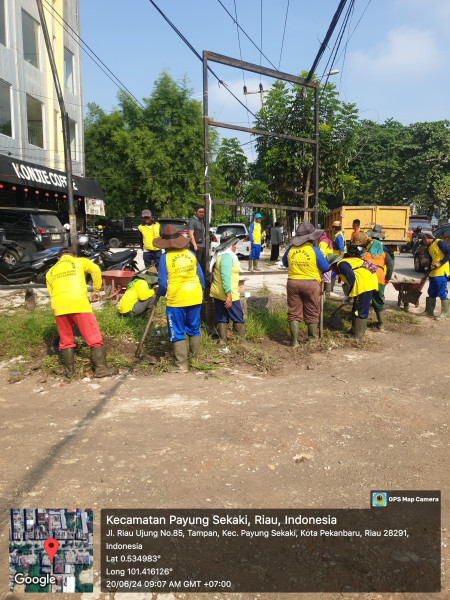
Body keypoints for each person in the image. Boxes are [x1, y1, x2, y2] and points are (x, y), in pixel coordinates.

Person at [46, 248, 118, 378]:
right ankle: (101, 368)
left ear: (58, 259)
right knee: (93, 336)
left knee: (66, 339)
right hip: (79, 304)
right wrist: (96, 290)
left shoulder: (50, 272)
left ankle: (69, 372)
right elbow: (95, 269)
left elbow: (51, 293)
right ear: (74, 256)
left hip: (59, 307)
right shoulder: (80, 261)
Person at [154, 224, 205, 371]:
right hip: (195, 296)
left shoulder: (165, 258)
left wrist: (161, 293)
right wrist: (200, 292)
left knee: (176, 330)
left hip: (177, 299)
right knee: (194, 329)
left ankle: (181, 364)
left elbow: (163, 283)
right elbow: (200, 276)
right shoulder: (191, 254)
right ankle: (194, 360)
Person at [282, 222, 329, 345]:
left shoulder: (290, 250)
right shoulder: (314, 251)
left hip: (293, 283)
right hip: (311, 284)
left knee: (293, 312)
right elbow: (325, 266)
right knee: (312, 311)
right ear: (311, 238)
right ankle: (312, 339)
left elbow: (285, 263)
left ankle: (294, 342)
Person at [326, 252, 379, 341]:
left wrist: (350, 294)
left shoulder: (341, 264)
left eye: (331, 267)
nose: (332, 270)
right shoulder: (350, 260)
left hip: (363, 283)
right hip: (368, 280)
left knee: (361, 309)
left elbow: (352, 278)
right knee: (356, 307)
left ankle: (359, 337)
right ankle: (354, 331)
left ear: (333, 264)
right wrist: (349, 295)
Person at [210, 232, 247, 345]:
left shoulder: (220, 255)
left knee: (221, 316)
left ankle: (222, 340)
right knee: (237, 315)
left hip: (217, 292)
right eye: (234, 244)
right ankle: (242, 341)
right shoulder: (227, 257)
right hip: (228, 292)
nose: (235, 246)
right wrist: (229, 294)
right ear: (229, 245)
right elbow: (225, 276)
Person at [353, 227, 394, 331]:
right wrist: (387, 278)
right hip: (380, 277)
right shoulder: (384, 252)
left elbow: (359, 266)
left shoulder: (365, 254)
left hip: (368, 278)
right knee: (378, 301)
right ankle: (381, 325)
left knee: (363, 301)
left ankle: (360, 326)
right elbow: (390, 265)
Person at [418, 232, 450, 320]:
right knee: (431, 291)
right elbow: (431, 260)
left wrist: (440, 263)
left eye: (423, 240)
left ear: (426, 238)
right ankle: (429, 311)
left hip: (441, 271)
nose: (423, 242)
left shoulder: (439, 243)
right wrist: (426, 274)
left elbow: (448, 253)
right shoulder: (430, 246)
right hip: (433, 271)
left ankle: (445, 313)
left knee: (442, 291)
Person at [188, 204, 206, 269]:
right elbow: (191, 234)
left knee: (203, 264)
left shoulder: (201, 221)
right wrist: (195, 245)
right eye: (200, 212)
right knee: (197, 265)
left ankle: (202, 278)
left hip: (203, 246)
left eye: (203, 212)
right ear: (195, 212)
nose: (201, 214)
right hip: (197, 247)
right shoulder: (192, 221)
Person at [318, 230, 333, 297]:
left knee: (325, 277)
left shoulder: (322, 242)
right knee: (328, 277)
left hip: (325, 261)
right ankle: (327, 294)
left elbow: (321, 253)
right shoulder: (328, 240)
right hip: (329, 261)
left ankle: (326, 294)